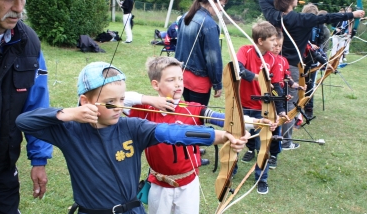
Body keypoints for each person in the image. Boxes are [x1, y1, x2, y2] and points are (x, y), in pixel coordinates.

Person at [16, 61, 249, 214]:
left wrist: (220, 136)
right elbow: (23, 121)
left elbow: (172, 133)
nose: (119, 107)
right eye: (111, 101)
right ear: (85, 102)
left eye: (121, 100)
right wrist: (69, 113)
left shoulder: (133, 127)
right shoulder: (69, 130)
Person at [124, 56, 274, 213]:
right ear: (156, 84)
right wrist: (150, 100)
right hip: (159, 185)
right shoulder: (145, 111)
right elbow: (118, 100)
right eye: (170, 80)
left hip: (188, 185)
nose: (178, 84)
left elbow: (224, 119)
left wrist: (258, 122)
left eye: (180, 79)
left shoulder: (193, 109)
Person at [259, 0, 365, 150]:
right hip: (290, 67)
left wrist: (280, 2)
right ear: (290, 0)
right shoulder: (302, 19)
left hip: (271, 64)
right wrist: (352, 15)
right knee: (290, 104)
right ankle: (285, 142)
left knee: (272, 99)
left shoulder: (274, 15)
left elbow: (263, 0)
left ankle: (269, 136)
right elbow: (328, 18)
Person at [0, 0, 53, 213]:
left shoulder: (29, 43)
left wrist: (39, 159)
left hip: (2, 169)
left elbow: (37, 106)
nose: (18, 7)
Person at [237, 21, 286, 194]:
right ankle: (230, 171)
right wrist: (257, 77)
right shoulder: (245, 51)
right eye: (272, 40)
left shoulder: (273, 59)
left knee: (263, 145)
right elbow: (238, 68)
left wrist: (280, 111)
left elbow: (277, 87)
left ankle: (261, 178)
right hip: (242, 106)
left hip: (262, 109)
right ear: (260, 41)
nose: (275, 43)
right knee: (236, 139)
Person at [175, 0, 228, 106]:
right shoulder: (209, 24)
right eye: (221, 4)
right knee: (196, 119)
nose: (221, 9)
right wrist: (217, 83)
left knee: (189, 114)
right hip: (197, 81)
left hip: (182, 76)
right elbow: (213, 58)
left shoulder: (187, 15)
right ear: (212, 1)